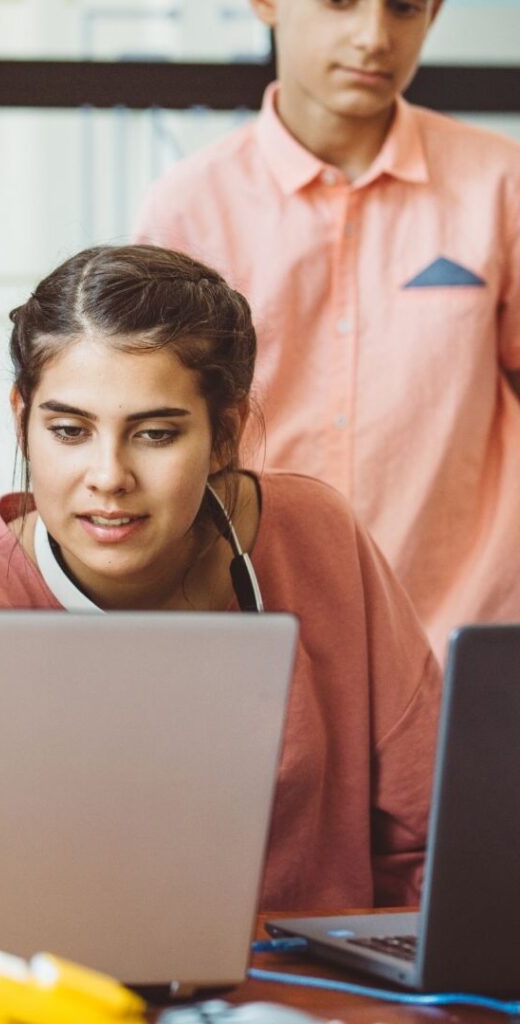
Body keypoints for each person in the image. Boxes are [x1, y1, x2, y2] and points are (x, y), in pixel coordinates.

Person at [0, 244, 441, 912]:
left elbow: (434, 837)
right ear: (21, 422)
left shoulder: (316, 536)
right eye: (69, 430)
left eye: (154, 435)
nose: (108, 477)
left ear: (225, 434)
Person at [134, 0, 520, 663]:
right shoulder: (190, 206)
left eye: (402, 8)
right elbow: (153, 434)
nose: (374, 37)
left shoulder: (501, 183)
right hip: (258, 631)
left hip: (472, 627)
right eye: (341, 2)